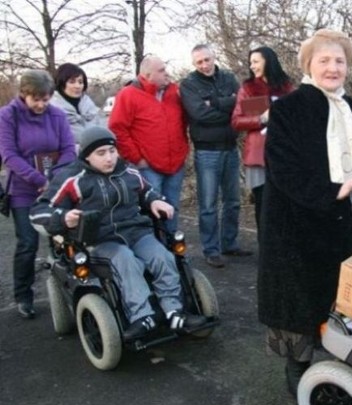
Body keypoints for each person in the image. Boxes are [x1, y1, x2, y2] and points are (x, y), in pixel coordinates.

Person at [258, 29, 352, 396]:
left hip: (334, 220)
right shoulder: (288, 108)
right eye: (324, 60)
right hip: (292, 220)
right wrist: (333, 189)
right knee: (298, 296)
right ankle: (298, 366)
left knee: (333, 292)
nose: (333, 67)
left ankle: (340, 361)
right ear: (309, 64)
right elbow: (282, 168)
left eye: (339, 60)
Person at [30, 126, 206, 340]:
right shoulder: (72, 179)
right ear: (87, 155)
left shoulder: (129, 172)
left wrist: (155, 200)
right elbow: (39, 211)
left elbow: (147, 191)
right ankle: (142, 316)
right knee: (126, 260)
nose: (109, 158)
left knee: (164, 257)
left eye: (112, 151)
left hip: (135, 232)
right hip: (99, 240)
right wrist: (63, 217)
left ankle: (174, 312)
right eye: (101, 153)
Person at [0, 69, 76, 319]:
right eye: (37, 100)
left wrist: (54, 179)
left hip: (54, 187)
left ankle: (70, 290)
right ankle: (24, 295)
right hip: (23, 190)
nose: (42, 104)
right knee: (28, 243)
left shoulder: (56, 115)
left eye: (46, 99)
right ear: (24, 94)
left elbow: (67, 149)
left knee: (62, 239)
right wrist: (38, 179)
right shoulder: (8, 116)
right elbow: (9, 155)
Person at [180, 44, 252, 268]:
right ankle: (211, 250)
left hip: (230, 148)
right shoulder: (189, 85)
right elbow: (200, 114)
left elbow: (243, 106)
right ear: (194, 64)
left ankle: (229, 243)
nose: (204, 65)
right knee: (209, 204)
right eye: (199, 62)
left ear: (214, 58)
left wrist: (217, 103)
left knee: (232, 201)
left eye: (207, 60)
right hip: (207, 151)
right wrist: (228, 108)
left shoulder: (229, 78)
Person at [108, 55, 189, 234]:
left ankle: (172, 252)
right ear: (147, 75)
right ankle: (155, 253)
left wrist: (183, 150)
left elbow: (185, 121)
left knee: (172, 208)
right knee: (152, 210)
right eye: (161, 71)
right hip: (148, 167)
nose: (166, 73)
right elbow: (117, 129)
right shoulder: (128, 95)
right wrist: (137, 158)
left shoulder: (174, 92)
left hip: (175, 163)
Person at [231, 46, 294, 234]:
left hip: (284, 154)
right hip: (258, 156)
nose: (252, 66)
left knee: (285, 203)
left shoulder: (287, 87)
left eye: (256, 62)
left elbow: (298, 117)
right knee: (263, 204)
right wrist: (261, 119)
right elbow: (236, 121)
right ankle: (266, 251)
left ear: (269, 61)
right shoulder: (247, 88)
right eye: (251, 62)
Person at [50, 63, 103, 147]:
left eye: (80, 82)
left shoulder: (90, 106)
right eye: (72, 82)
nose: (77, 86)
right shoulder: (52, 110)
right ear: (61, 83)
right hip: (69, 158)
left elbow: (102, 133)